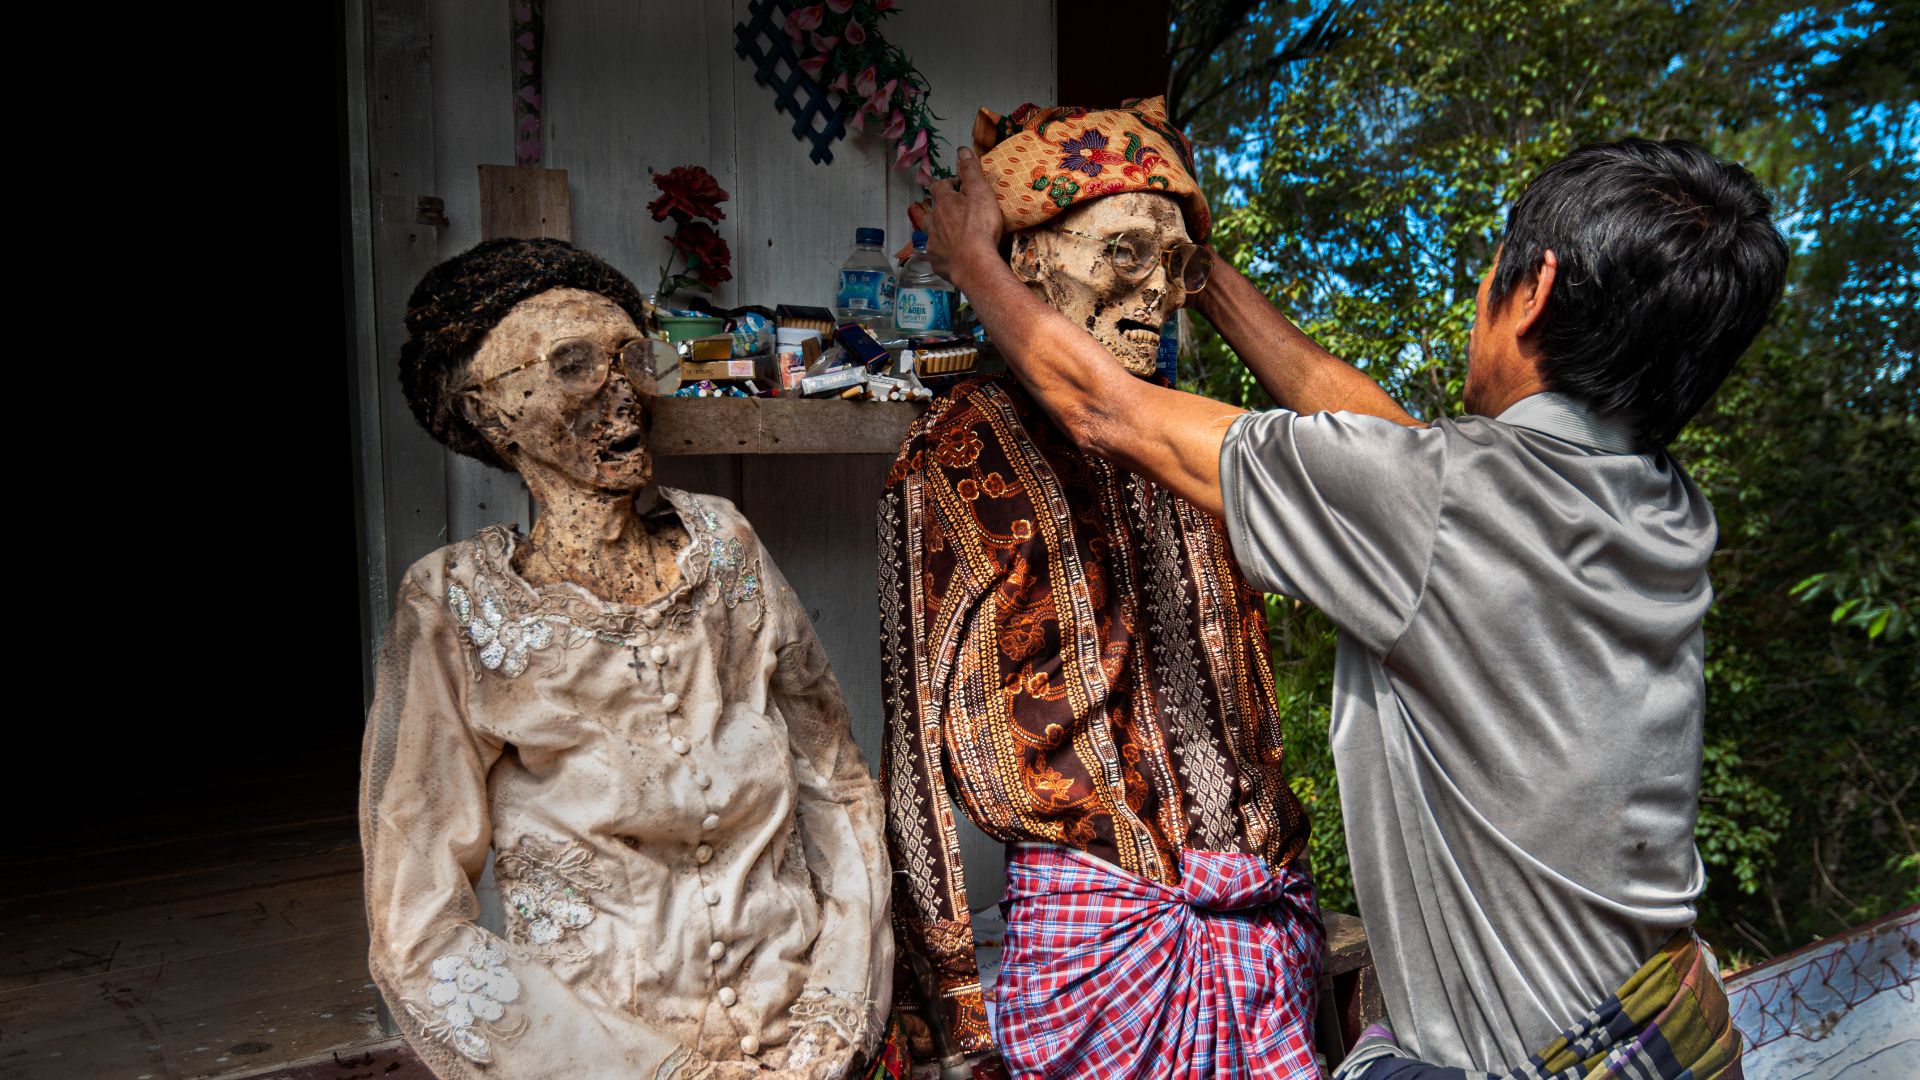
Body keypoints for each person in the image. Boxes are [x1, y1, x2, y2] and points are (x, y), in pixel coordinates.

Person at [920, 137, 1787, 1079]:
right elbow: (1386, 442)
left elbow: (1107, 410)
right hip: (1670, 1031)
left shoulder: (1441, 503)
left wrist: (972, 262)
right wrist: (1202, 276)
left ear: (1534, 289)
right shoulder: (1654, 505)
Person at [362, 238, 900, 1079]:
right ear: (487, 413)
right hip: (605, 1056)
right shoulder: (455, 606)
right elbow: (417, 929)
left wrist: (837, 1012)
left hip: (805, 1037)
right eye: (573, 365)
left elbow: (837, 787)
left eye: (633, 359)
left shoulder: (724, 546)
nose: (623, 394)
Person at [882, 97, 1322, 1080]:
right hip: (1097, 952)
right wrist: (948, 1004)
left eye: (1177, 265)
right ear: (1032, 261)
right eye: (1124, 252)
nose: (1157, 289)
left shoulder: (1198, 443)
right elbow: (912, 749)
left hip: (1263, 936)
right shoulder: (957, 451)